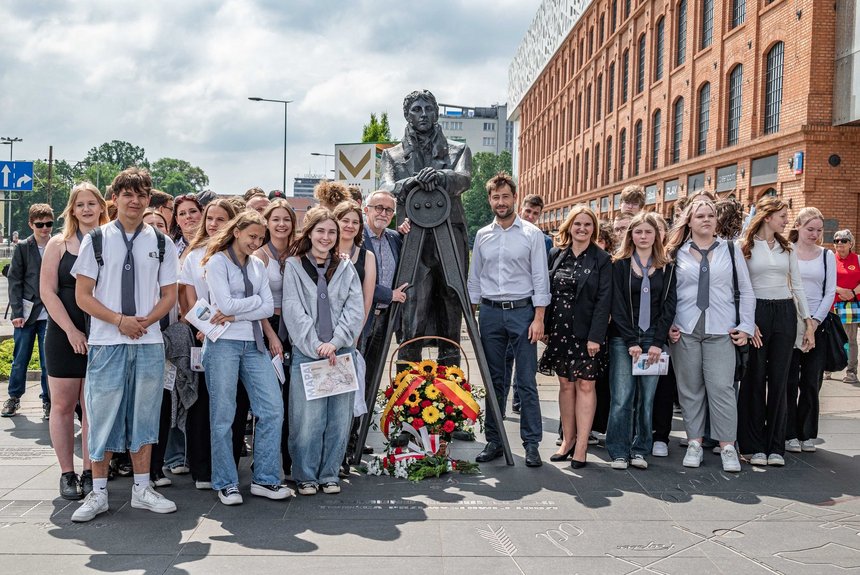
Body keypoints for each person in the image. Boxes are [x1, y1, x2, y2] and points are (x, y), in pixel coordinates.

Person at [70, 167, 179, 522]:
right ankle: (98, 492)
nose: (135, 201)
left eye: (141, 195)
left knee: (145, 415)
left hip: (148, 342)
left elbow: (169, 295)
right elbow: (83, 296)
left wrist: (144, 322)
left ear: (149, 199)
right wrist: (120, 321)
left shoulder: (161, 242)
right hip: (107, 342)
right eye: (128, 194)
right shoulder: (96, 239)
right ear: (114, 199)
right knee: (101, 416)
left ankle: (142, 488)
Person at [201, 210, 291, 505]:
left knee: (272, 409)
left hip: (254, 344)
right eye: (252, 236)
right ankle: (225, 482)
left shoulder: (257, 265)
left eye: (260, 238)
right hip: (223, 345)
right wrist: (249, 305)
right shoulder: (217, 262)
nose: (256, 242)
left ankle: (265, 479)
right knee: (223, 415)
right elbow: (227, 304)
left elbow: (267, 308)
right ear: (236, 232)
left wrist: (235, 313)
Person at [381, 89, 471, 367]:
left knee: (451, 303)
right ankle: (407, 383)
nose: (423, 114)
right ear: (407, 115)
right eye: (417, 109)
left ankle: (451, 381)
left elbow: (464, 178)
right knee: (411, 306)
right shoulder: (393, 155)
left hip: (449, 236)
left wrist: (441, 176)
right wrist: (407, 184)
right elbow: (385, 186)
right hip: (413, 239)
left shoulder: (457, 150)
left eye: (428, 109)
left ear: (436, 113)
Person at [665, 197, 755, 472]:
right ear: (689, 221)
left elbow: (746, 290)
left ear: (717, 221)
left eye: (710, 216)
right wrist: (668, 323)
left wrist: (746, 326)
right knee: (690, 390)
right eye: (700, 216)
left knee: (722, 388)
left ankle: (727, 445)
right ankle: (694, 442)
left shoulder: (731, 249)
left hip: (721, 329)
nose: (706, 220)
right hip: (686, 329)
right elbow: (667, 293)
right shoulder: (676, 253)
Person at [469, 172, 550, 468]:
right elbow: (475, 278)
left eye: (505, 196)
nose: (501, 202)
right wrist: (472, 317)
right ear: (489, 200)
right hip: (490, 313)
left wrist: (539, 318)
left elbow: (540, 278)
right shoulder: (482, 235)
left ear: (515, 198)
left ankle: (531, 443)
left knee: (526, 380)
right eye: (496, 197)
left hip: (522, 312)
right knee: (494, 380)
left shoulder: (532, 234)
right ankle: (494, 439)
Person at [282, 207, 364, 495]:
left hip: (340, 353)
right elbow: (293, 309)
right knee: (307, 419)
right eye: (320, 231)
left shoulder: (345, 267)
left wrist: (337, 341)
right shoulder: (294, 266)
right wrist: (316, 344)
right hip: (309, 352)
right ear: (309, 233)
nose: (326, 237)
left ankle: (329, 473)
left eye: (331, 232)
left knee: (339, 419)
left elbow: (354, 308)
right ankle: (305, 474)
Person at [40, 183, 108, 499]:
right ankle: (67, 474)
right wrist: (70, 330)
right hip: (64, 333)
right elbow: (47, 292)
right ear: (72, 209)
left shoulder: (111, 241)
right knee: (63, 405)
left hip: (102, 333)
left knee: (93, 407)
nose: (86, 209)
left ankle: (91, 471)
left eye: (91, 203)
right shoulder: (58, 244)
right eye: (80, 204)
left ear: (101, 206)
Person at [738, 197, 815, 467]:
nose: (786, 221)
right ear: (767, 216)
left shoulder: (787, 248)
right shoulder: (744, 246)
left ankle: (775, 446)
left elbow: (798, 285)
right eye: (782, 216)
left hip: (785, 312)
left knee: (781, 380)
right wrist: (748, 321)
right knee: (755, 378)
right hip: (757, 312)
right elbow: (740, 287)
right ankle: (753, 445)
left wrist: (808, 321)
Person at [538, 204, 609, 469]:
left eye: (587, 224)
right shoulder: (556, 254)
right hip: (560, 331)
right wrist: (545, 326)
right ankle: (567, 441)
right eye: (577, 223)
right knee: (566, 386)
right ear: (569, 226)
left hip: (587, 335)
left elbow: (604, 301)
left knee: (586, 386)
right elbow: (547, 291)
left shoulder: (602, 259)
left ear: (594, 228)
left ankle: (582, 446)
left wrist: (596, 337)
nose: (582, 228)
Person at [179, 199, 242, 490]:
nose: (214, 224)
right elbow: (190, 300)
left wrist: (221, 326)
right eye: (210, 219)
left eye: (221, 219)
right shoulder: (194, 256)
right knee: (202, 401)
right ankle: (202, 468)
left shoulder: (239, 254)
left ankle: (228, 466)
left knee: (232, 402)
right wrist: (205, 328)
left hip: (235, 333)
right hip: (202, 334)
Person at [606, 212, 676, 470]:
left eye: (648, 232)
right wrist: (629, 340)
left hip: (653, 338)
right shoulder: (619, 265)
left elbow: (669, 306)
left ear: (656, 235)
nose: (643, 236)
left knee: (646, 399)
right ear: (631, 235)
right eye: (638, 232)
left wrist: (658, 341)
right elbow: (617, 305)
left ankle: (640, 449)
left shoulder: (667, 266)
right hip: (623, 338)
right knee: (622, 397)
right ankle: (619, 451)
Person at [785, 208, 836, 453]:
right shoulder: (787, 251)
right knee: (788, 380)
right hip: (790, 322)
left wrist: (814, 323)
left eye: (819, 230)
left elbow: (830, 291)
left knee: (811, 382)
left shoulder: (827, 256)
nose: (814, 234)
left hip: (818, 324)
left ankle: (806, 433)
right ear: (798, 226)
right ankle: (788, 433)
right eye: (810, 229)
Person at [254, 199, 297, 477]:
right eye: (276, 219)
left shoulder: (298, 251)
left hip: (294, 326)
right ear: (267, 223)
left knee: (292, 398)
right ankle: (264, 460)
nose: (281, 224)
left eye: (286, 219)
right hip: (266, 325)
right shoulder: (259, 255)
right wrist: (271, 336)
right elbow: (256, 301)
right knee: (269, 400)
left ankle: (289, 461)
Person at [2, 204, 54, 419]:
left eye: (48, 224)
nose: (45, 228)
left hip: (51, 313)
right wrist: (17, 313)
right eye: (40, 224)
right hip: (26, 313)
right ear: (31, 224)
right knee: (20, 358)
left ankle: (48, 400)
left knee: (48, 361)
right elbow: (15, 281)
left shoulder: (57, 244)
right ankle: (14, 397)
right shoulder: (23, 247)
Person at [359, 191, 407, 418]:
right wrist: (389, 295)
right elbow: (358, 279)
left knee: (372, 374)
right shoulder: (356, 238)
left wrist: (406, 232)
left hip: (385, 319)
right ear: (366, 209)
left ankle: (361, 427)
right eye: (378, 207)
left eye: (389, 210)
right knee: (355, 373)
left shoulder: (394, 238)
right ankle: (349, 431)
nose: (383, 213)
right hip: (363, 317)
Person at [832, 229, 860, 384]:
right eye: (836, 241)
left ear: (851, 243)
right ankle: (827, 368)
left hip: (851, 304)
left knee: (850, 339)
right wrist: (839, 290)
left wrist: (852, 293)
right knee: (829, 337)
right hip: (831, 304)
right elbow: (824, 280)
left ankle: (851, 372)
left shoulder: (857, 259)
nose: (839, 244)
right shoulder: (829, 259)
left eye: (843, 241)